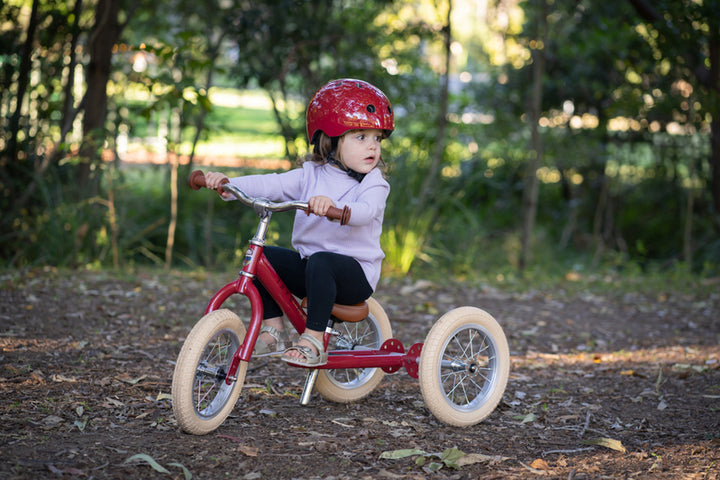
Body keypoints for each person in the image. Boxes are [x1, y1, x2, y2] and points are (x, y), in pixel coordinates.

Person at [204, 78, 394, 367]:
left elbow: (367, 212)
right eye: (361, 137)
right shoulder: (310, 174)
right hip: (313, 270)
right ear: (331, 139)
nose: (373, 147)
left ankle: (314, 340)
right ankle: (273, 329)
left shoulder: (373, 182)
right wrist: (229, 184)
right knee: (261, 258)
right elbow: (272, 185)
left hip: (355, 275)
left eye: (377, 138)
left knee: (322, 261)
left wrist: (334, 208)